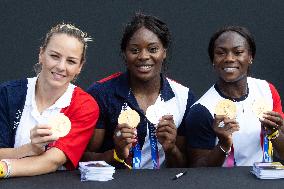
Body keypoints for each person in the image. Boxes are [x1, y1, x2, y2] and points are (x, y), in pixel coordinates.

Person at [82, 13, 195, 169]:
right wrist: (117, 153)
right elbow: (82, 159)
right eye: (134, 50)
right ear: (124, 54)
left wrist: (171, 148)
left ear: (164, 52)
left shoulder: (183, 97)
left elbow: (188, 167)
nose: (143, 56)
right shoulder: (101, 94)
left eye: (153, 49)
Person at [0, 23, 99, 178]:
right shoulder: (7, 93)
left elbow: (52, 161)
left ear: (80, 66)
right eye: (55, 56)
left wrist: (3, 169)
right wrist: (30, 149)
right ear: (41, 54)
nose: (61, 66)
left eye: (71, 61)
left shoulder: (85, 106)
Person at [185, 26, 284, 167]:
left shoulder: (267, 90)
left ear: (250, 57)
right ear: (213, 60)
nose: (229, 59)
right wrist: (223, 145)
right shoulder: (201, 110)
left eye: (238, 52)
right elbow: (198, 171)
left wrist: (274, 133)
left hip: (264, 180)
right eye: (220, 53)